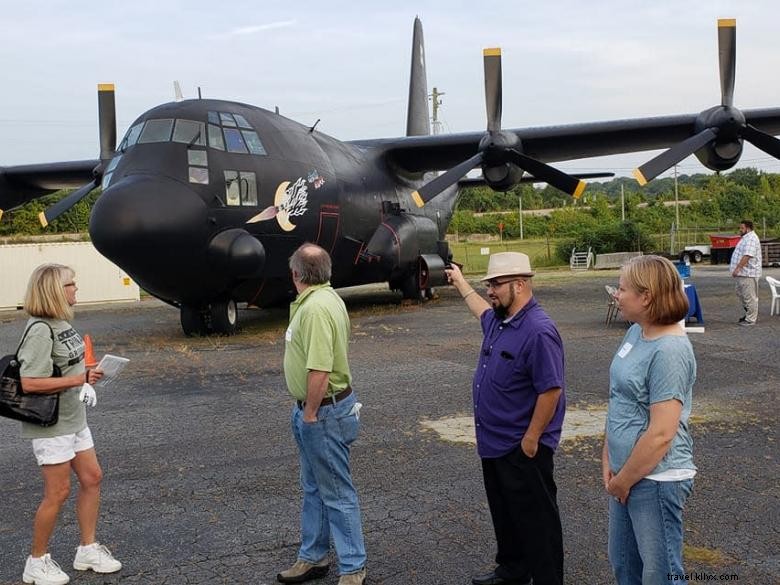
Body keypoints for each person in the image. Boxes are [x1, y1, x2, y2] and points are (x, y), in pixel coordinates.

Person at [446, 252, 565, 585]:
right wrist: (459, 282)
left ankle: (547, 579)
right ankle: (513, 570)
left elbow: (550, 390)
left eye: (496, 284)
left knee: (537, 521)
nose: (490, 291)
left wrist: (531, 439)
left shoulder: (539, 331)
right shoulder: (500, 320)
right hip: (494, 442)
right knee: (506, 513)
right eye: (489, 285)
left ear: (520, 284)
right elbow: (479, 309)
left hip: (521, 446)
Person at [17, 263, 121, 585]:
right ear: (53, 291)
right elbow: (29, 382)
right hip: (52, 425)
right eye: (70, 284)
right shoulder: (39, 330)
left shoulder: (62, 323)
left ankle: (87, 550)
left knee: (92, 477)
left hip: (75, 419)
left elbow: (71, 365)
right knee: (57, 492)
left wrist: (92, 369)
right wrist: (79, 378)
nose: (76, 288)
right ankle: (37, 561)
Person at [603, 255, 697, 584]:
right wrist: (609, 458)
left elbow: (661, 433)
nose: (617, 294)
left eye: (622, 288)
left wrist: (623, 479)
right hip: (626, 475)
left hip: (656, 480)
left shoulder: (670, 351)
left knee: (660, 574)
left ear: (646, 296)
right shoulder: (636, 332)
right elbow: (620, 398)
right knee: (625, 564)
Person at [278, 243, 367, 585]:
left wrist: (311, 414)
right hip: (319, 409)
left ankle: (353, 568)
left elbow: (320, 369)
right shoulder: (326, 299)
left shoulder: (315, 308)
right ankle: (313, 557)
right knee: (315, 487)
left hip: (322, 412)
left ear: (296, 274)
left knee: (336, 493)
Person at [730, 219, 762, 326]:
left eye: (742, 228)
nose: (740, 230)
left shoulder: (751, 239)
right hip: (743, 273)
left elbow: (747, 255)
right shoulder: (746, 238)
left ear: (748, 228)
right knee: (740, 293)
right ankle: (748, 313)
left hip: (748, 273)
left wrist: (738, 268)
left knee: (749, 296)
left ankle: (751, 319)